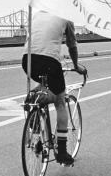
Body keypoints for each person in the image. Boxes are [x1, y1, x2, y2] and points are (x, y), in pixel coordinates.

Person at [22, 10, 86, 166]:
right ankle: (62, 152)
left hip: (27, 60)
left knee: (44, 86)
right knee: (60, 101)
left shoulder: (37, 14)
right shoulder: (66, 15)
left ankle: (36, 134)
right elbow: (72, 46)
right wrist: (77, 66)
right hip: (49, 61)